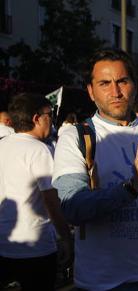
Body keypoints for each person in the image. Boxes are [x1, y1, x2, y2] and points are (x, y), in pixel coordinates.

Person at [52, 49, 138, 290]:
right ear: (91, 91)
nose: (115, 92)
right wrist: (131, 188)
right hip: (103, 282)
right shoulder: (76, 137)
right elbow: (72, 207)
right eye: (104, 83)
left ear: (134, 85)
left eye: (122, 81)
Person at [0, 93, 72, 290]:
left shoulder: (2, 144)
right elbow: (52, 200)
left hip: (5, 243)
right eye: (50, 114)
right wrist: (65, 236)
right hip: (35, 247)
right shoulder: (39, 150)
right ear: (36, 118)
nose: (52, 120)